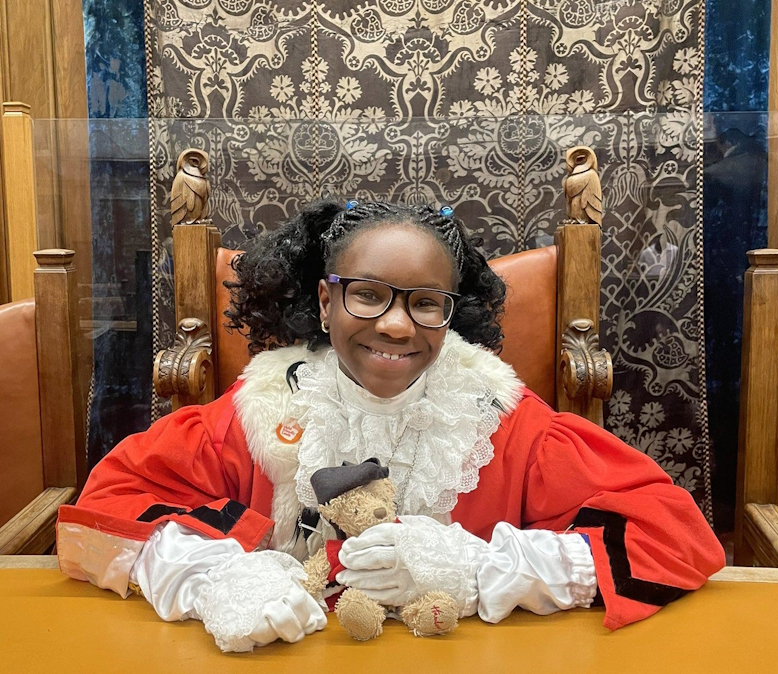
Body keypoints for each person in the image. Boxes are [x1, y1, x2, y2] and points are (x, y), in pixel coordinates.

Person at [57, 200, 725, 652]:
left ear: (451, 312)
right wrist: (214, 578)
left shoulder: (506, 427)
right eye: (368, 294)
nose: (397, 326)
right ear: (325, 300)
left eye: (426, 304)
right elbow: (102, 510)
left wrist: (480, 569)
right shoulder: (254, 415)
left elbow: (676, 537)